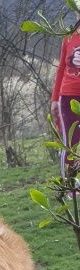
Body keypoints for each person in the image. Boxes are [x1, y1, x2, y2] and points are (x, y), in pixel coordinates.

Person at [51, 23, 80, 180]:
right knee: (70, 142)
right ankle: (71, 184)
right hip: (68, 96)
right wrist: (55, 99)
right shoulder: (69, 36)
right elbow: (61, 67)